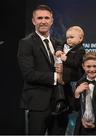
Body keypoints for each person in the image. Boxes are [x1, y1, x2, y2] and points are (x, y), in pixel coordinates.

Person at [17, 5, 68, 135]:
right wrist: (57, 77)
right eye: (39, 18)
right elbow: (29, 74)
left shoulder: (58, 43)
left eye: (46, 18)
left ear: (52, 21)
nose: (43, 21)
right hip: (38, 104)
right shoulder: (26, 43)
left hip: (60, 103)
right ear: (33, 21)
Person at [55, 26, 86, 112]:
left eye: (72, 37)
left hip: (74, 78)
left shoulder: (81, 50)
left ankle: (72, 107)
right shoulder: (64, 44)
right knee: (62, 92)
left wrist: (66, 59)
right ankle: (63, 105)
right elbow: (59, 45)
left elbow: (76, 63)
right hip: (64, 77)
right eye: (67, 37)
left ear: (80, 39)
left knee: (72, 96)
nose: (69, 39)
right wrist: (58, 50)